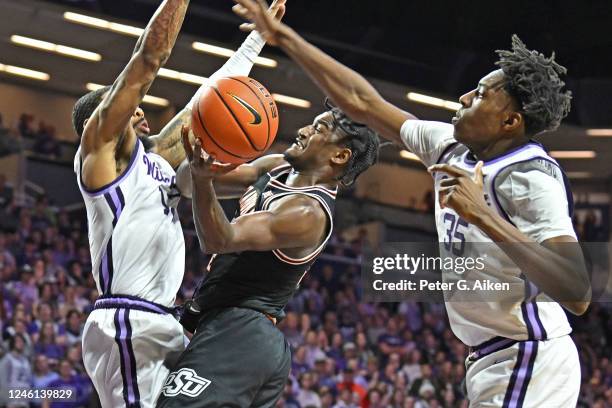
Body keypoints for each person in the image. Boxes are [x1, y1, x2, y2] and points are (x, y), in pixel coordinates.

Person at [233, 3, 590, 406]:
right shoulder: (449, 146)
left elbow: (577, 292)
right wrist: (284, 39)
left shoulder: (530, 178)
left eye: (482, 94)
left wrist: (485, 218)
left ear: (510, 122)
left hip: (530, 355)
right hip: (495, 358)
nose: (465, 95)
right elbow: (361, 101)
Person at [71, 0, 286, 405]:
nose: (146, 120)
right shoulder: (100, 158)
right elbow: (148, 58)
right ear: (100, 121)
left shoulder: (153, 162)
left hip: (162, 320)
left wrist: (256, 43)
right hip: (128, 320)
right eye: (135, 113)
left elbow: (203, 105)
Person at [157, 102, 381, 407]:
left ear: (339, 155)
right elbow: (188, 184)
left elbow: (219, 238)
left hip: (243, 330)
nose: (302, 131)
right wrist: (205, 150)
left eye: (318, 130)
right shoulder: (277, 166)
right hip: (219, 322)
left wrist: (201, 178)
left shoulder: (307, 212)